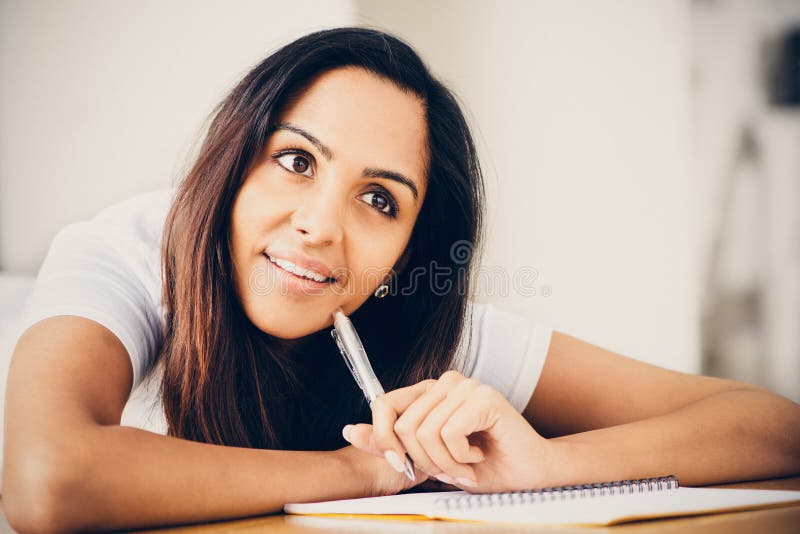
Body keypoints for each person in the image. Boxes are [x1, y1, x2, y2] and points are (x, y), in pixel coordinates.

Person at [3, 27, 799, 532]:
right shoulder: (125, 254)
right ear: (232, 166)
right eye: (295, 160)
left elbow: (771, 425)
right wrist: (356, 472)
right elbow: (47, 481)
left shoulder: (421, 316)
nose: (320, 223)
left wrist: (546, 465)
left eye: (379, 199)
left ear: (408, 256)